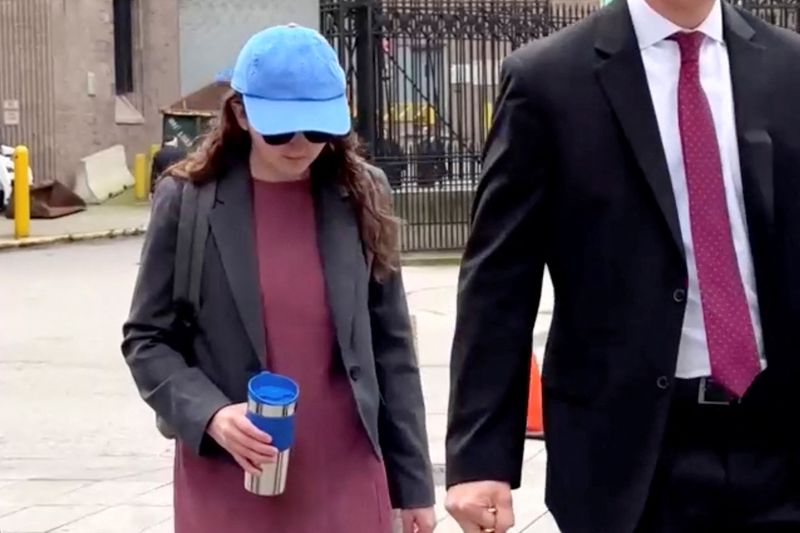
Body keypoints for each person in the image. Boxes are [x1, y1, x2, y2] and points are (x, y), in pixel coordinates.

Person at [444, 0, 800, 532]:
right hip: (630, 452)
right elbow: (500, 280)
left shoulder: (788, 66)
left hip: (779, 438)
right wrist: (480, 458)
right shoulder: (549, 80)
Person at [121, 24, 436, 533]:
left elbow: (392, 349)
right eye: (281, 130)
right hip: (230, 475)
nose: (300, 145)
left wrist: (414, 485)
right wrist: (213, 416)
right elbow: (147, 339)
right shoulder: (188, 200)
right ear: (241, 114)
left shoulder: (362, 194)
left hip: (347, 473)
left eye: (316, 130)